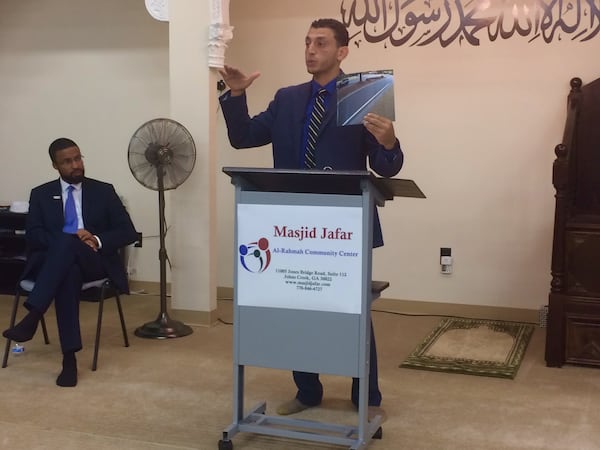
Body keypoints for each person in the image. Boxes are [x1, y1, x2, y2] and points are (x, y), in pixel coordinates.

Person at [218, 18, 404, 421]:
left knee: (353, 311)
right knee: (298, 307)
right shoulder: (287, 98)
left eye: (320, 43)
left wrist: (389, 141)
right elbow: (244, 137)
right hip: (289, 225)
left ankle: (366, 398)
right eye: (306, 43)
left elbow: (386, 166)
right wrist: (235, 94)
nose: (310, 50)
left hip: (344, 227)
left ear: (342, 51)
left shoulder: (363, 93)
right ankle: (307, 389)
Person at [2, 138, 138, 387]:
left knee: (69, 248)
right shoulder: (41, 194)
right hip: (60, 265)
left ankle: (33, 316)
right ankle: (69, 360)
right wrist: (67, 239)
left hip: (93, 259)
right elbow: (33, 235)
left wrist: (95, 239)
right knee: (68, 268)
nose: (76, 165)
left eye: (78, 158)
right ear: (55, 165)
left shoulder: (103, 191)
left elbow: (127, 231)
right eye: (67, 161)